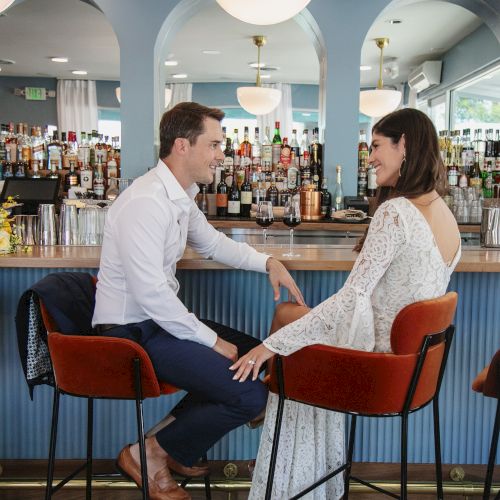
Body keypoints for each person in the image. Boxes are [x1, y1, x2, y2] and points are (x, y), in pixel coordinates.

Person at [231, 108, 462, 499]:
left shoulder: (395, 213)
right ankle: (284, 443)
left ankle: (280, 452)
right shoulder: (447, 216)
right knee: (294, 321)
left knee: (287, 319)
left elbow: (350, 299)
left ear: (403, 144)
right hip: (414, 375)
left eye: (375, 146)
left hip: (376, 373)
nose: (369, 157)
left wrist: (269, 346)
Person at [92, 102, 304, 500]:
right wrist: (210, 341)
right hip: (130, 332)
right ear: (182, 146)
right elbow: (152, 294)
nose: (222, 155)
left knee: (254, 355)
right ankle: (151, 453)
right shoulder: (145, 202)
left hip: (156, 323)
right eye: (214, 144)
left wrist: (268, 262)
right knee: (250, 391)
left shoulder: (179, 195)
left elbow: (212, 244)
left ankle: (161, 445)